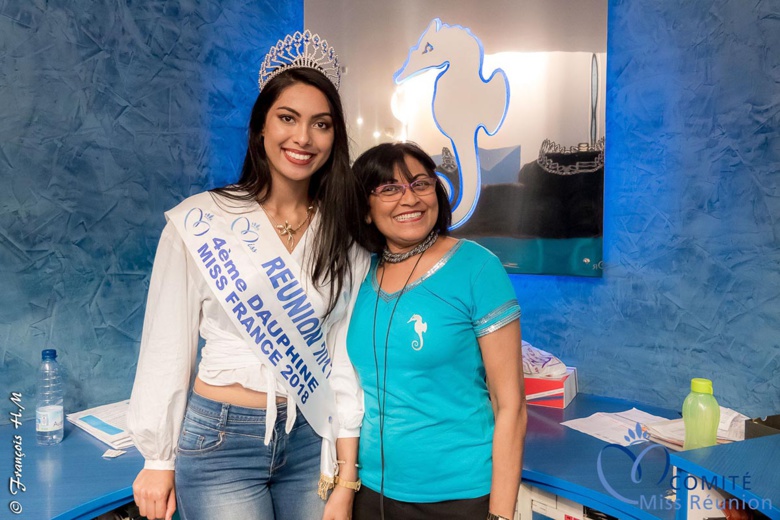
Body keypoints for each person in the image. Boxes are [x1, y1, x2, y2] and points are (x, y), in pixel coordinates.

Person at [127, 30, 368, 520]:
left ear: (334, 138)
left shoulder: (343, 234)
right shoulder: (201, 220)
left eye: (321, 124)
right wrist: (157, 457)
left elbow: (342, 356)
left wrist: (346, 470)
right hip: (220, 439)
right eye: (287, 118)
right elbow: (167, 343)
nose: (303, 138)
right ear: (261, 127)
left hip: (309, 438)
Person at [346, 142, 527, 520]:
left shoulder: (477, 268)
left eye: (420, 184)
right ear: (365, 208)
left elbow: (511, 406)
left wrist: (500, 515)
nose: (409, 199)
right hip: (372, 492)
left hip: (459, 497)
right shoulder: (358, 274)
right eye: (389, 189)